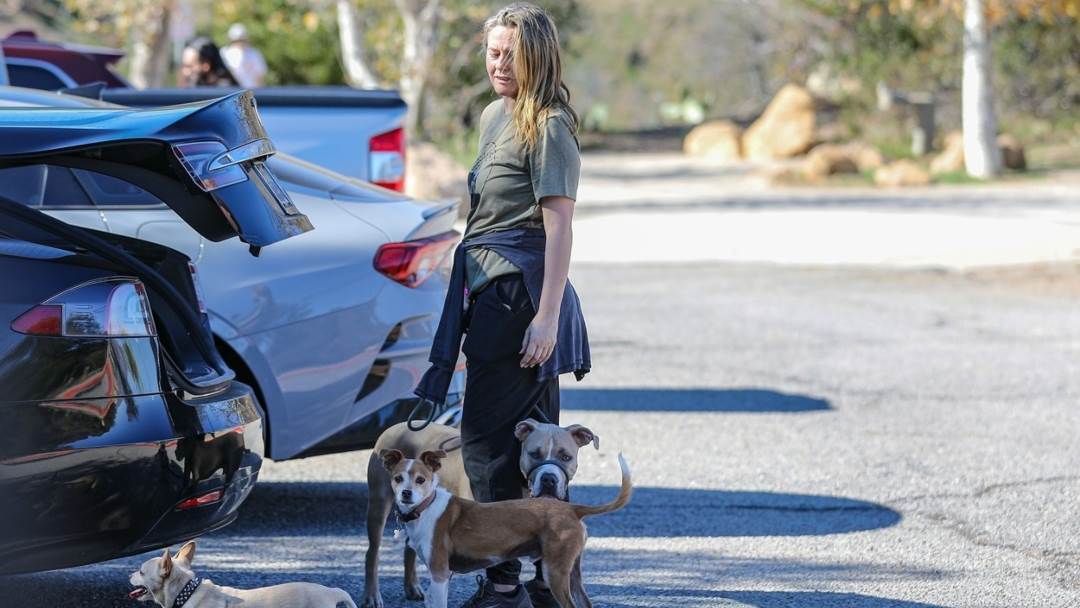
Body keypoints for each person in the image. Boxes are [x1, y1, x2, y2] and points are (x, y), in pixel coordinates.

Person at [413, 3, 590, 608]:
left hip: (521, 298)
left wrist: (546, 317)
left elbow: (559, 226)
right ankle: (540, 576)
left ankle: (506, 580)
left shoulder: (551, 125)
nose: (499, 63)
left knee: (487, 443)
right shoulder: (494, 115)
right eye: (493, 52)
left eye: (512, 54)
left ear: (538, 57)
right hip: (490, 290)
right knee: (527, 444)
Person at [222, 23, 268, 88]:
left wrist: (258, 92)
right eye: (236, 40)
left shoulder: (254, 54)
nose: (239, 42)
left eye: (241, 40)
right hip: (230, 91)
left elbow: (260, 78)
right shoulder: (224, 53)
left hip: (250, 91)